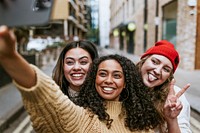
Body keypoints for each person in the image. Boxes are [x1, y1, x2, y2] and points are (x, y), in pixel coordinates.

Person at [0, 26, 163, 132]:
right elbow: (46, 95)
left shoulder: (141, 121)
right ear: (95, 77)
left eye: (117, 75)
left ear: (126, 82)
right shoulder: (85, 118)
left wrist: (170, 118)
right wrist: (10, 57)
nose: (108, 80)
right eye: (103, 74)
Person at [136, 40, 191, 132]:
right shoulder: (123, 85)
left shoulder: (175, 96)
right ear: (143, 61)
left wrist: (172, 120)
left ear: (169, 76)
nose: (157, 71)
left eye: (166, 69)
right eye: (154, 62)